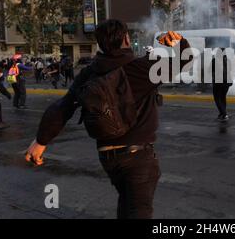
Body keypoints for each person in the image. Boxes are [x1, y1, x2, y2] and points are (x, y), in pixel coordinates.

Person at [24, 20, 191, 219]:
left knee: (127, 206)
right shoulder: (141, 68)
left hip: (107, 158)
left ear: (101, 44)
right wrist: (179, 41)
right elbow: (185, 60)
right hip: (138, 158)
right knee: (138, 211)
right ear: (127, 39)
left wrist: (41, 141)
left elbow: (64, 106)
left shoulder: (89, 73)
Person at [212, 48, 233, 122]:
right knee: (223, 98)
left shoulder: (215, 60)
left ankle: (224, 114)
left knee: (217, 98)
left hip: (218, 83)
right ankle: (222, 113)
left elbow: (210, 70)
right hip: (227, 82)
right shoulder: (228, 61)